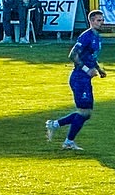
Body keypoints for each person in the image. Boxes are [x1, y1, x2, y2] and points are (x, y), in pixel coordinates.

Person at [45, 10, 106, 151]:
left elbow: (91, 56)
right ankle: (67, 140)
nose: (101, 23)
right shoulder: (86, 36)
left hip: (85, 79)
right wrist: (87, 70)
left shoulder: (97, 37)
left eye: (102, 20)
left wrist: (98, 69)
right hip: (79, 78)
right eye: (98, 20)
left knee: (87, 113)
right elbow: (72, 55)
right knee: (84, 112)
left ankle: (55, 126)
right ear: (91, 21)